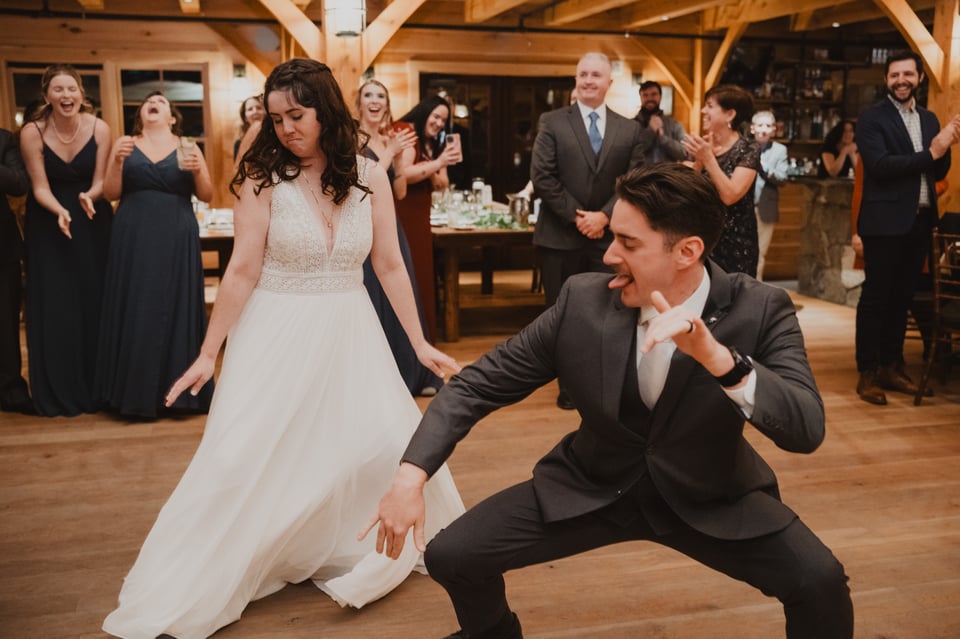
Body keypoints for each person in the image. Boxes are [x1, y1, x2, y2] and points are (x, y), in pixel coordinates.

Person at [366, 163, 854, 639]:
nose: (607, 256)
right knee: (451, 555)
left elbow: (805, 427)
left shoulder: (761, 308)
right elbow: (478, 384)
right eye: (612, 236)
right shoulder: (582, 300)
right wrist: (411, 475)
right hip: (591, 485)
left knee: (821, 583)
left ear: (687, 251)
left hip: (710, 494)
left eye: (628, 243)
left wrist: (719, 359)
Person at [102, 59, 465, 639]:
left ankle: (335, 538)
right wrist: (208, 352)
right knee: (243, 452)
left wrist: (419, 341)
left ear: (325, 109)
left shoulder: (368, 174)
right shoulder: (260, 178)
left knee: (366, 441)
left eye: (297, 114)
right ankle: (211, 564)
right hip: (276, 327)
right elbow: (241, 272)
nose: (286, 127)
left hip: (351, 327)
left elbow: (389, 263)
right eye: (276, 118)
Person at [530, 51, 647, 409]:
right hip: (559, 236)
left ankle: (606, 387)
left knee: (610, 313)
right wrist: (580, 217)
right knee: (563, 316)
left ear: (609, 83)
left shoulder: (629, 129)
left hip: (609, 241)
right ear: (575, 79)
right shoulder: (552, 121)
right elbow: (542, 176)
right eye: (582, 74)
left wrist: (605, 217)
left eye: (596, 75)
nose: (588, 81)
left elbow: (634, 180)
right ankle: (569, 387)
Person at [95, 91, 215, 418]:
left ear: (172, 117)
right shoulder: (126, 144)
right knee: (136, 303)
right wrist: (117, 162)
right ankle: (130, 393)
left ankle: (181, 395)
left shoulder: (189, 146)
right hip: (133, 233)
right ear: (141, 113)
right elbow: (110, 193)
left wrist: (198, 172)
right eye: (149, 101)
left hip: (176, 232)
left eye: (162, 102)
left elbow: (206, 194)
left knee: (174, 303)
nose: (154, 103)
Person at [853, 50, 960, 405]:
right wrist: (933, 151)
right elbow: (881, 166)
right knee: (876, 299)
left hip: (920, 223)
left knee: (902, 299)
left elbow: (937, 172)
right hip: (883, 223)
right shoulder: (871, 119)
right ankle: (867, 373)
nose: (901, 80)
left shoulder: (929, 119)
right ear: (886, 79)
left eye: (908, 75)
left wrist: (945, 148)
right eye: (894, 75)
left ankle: (892, 366)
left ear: (919, 78)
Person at [20, 64, 113, 417]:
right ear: (47, 97)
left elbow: (103, 179)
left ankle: (99, 387)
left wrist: (90, 195)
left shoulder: (100, 128)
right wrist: (60, 209)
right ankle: (59, 391)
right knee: (56, 305)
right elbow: (38, 185)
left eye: (71, 89)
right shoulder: (32, 132)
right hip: (49, 223)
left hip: (92, 219)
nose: (66, 95)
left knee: (95, 300)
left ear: (81, 94)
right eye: (58, 90)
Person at [356, 78, 443, 397]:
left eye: (381, 95)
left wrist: (399, 164)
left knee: (399, 299)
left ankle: (411, 372)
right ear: (360, 103)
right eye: (368, 95)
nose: (375, 100)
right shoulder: (352, 138)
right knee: (373, 302)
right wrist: (390, 155)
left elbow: (400, 192)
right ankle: (376, 378)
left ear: (387, 104)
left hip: (391, 227)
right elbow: (359, 185)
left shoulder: (392, 137)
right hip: (362, 227)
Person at [396, 95, 462, 340]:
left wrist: (442, 161)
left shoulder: (430, 142)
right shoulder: (405, 132)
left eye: (443, 121)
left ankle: (424, 338)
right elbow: (403, 175)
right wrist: (439, 162)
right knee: (411, 272)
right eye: (435, 116)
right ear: (423, 111)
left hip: (421, 215)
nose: (438, 123)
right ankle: (410, 340)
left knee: (423, 273)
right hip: (404, 214)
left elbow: (441, 185)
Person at [682, 84, 760, 277]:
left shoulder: (748, 149)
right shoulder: (702, 146)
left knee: (733, 300)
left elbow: (730, 195)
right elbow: (684, 191)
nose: (703, 111)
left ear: (729, 115)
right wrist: (698, 163)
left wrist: (708, 159)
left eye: (709, 105)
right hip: (701, 238)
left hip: (736, 243)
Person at [0, 126, 33, 414]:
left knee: (6, 322)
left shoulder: (4, 139)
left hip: (2, 247)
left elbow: (19, 184)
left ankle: (11, 390)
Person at [751, 110, 790, 281]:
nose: (763, 129)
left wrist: (763, 167)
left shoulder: (780, 150)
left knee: (760, 252)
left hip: (766, 208)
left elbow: (782, 178)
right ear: (752, 128)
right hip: (742, 206)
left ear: (774, 129)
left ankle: (754, 292)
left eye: (768, 126)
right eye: (760, 125)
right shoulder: (743, 147)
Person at [634, 80, 687, 164]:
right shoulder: (631, 125)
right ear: (640, 97)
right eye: (645, 95)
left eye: (654, 94)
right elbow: (629, 153)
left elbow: (684, 153)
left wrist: (663, 138)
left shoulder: (674, 124)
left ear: (660, 96)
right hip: (640, 176)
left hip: (668, 176)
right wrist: (650, 131)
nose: (650, 98)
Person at [233, 94, 265, 165]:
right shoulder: (238, 144)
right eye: (250, 109)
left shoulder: (275, 138)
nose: (255, 111)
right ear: (245, 118)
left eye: (259, 108)